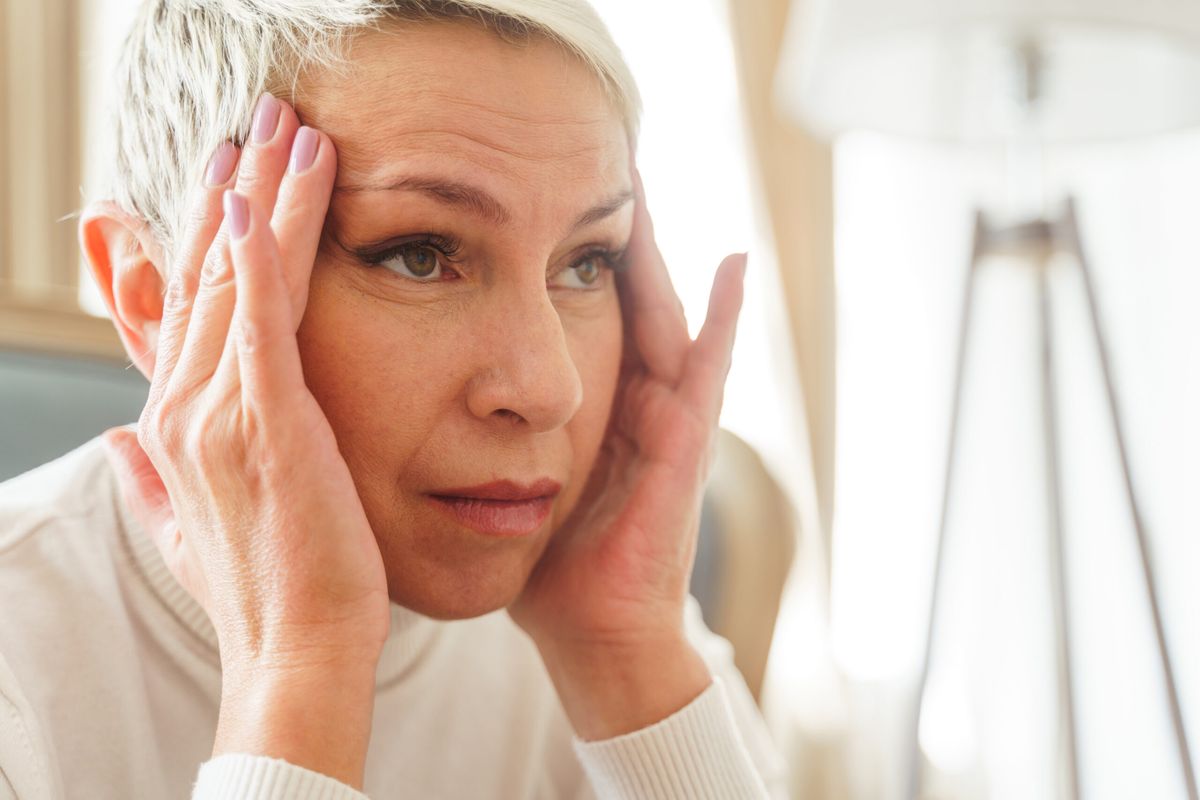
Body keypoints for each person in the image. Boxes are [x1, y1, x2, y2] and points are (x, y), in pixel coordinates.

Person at [0, 1, 790, 797]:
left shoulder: (621, 627)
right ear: (149, 295)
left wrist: (627, 657)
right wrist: (300, 666)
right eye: (419, 255)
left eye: (586, 262)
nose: (551, 390)